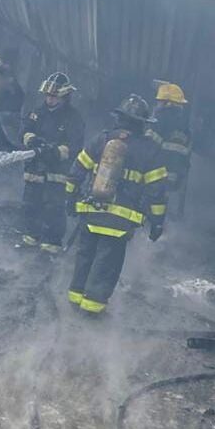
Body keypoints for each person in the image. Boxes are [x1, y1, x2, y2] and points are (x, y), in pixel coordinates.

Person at [65, 95, 169, 315]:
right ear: (143, 123)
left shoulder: (101, 139)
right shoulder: (151, 150)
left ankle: (75, 298)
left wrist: (69, 199)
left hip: (91, 211)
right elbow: (156, 192)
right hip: (120, 220)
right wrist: (157, 222)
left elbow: (77, 170)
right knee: (106, 264)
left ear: (119, 117)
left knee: (85, 255)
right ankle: (92, 309)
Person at [19, 72, 84, 253]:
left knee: (53, 209)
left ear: (64, 96)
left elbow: (75, 146)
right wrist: (31, 139)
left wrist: (56, 151)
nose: (50, 99)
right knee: (30, 205)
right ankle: (30, 239)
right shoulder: (37, 113)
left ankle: (51, 245)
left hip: (57, 172)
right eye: (48, 95)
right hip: (35, 170)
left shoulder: (73, 118)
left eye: (54, 96)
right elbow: (24, 130)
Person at [149, 81, 192, 195]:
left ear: (168, 104)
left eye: (159, 102)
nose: (157, 105)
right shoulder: (185, 128)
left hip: (153, 178)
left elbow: (146, 146)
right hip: (173, 181)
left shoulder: (160, 121)